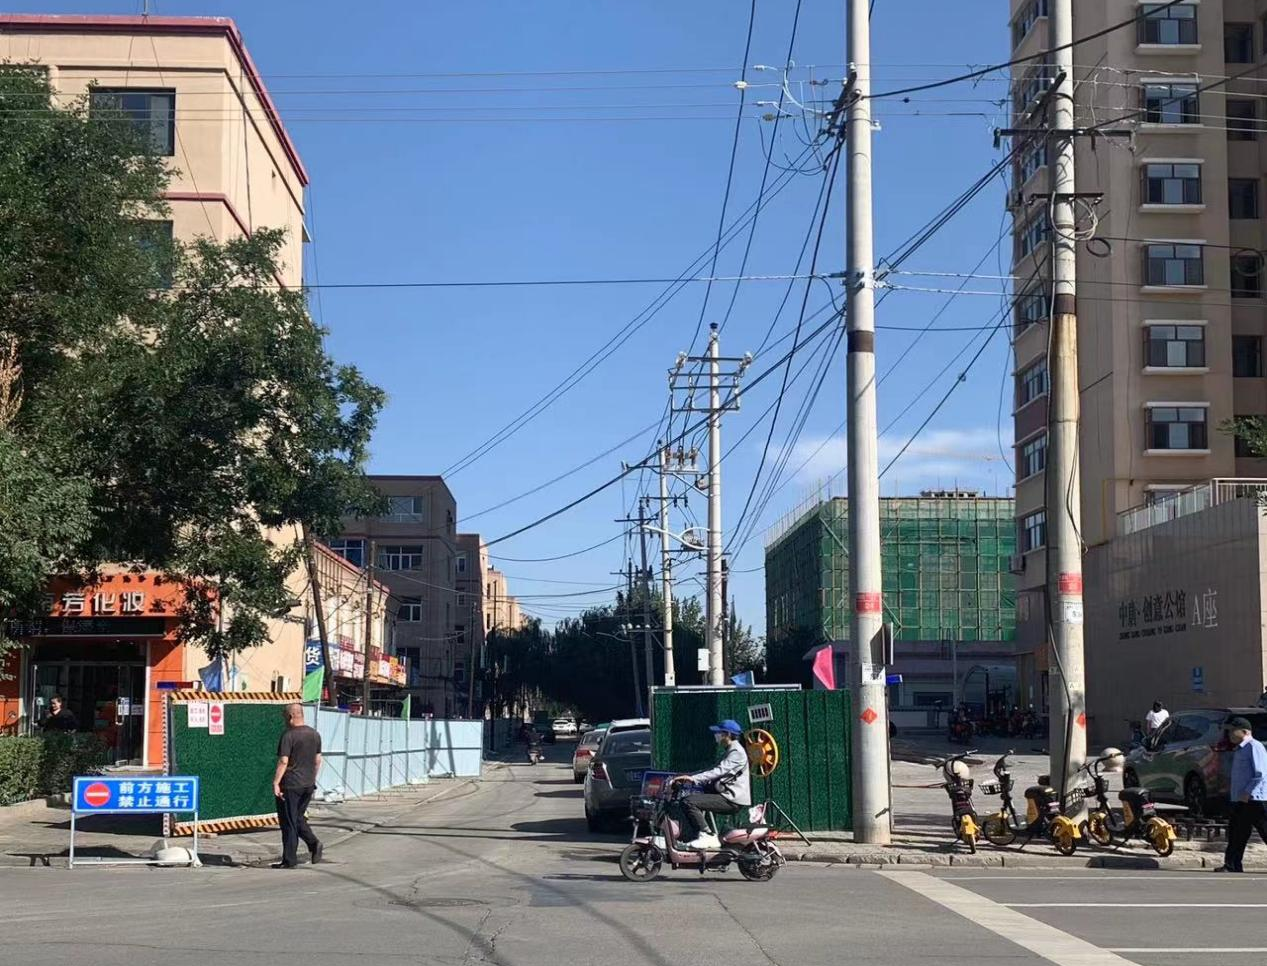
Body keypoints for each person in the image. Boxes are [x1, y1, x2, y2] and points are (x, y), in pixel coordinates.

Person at [669, 719, 751, 850]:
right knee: (695, 797)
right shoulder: (730, 750)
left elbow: (718, 771)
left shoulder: (736, 752)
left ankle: (706, 834)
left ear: (727, 734)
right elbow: (711, 769)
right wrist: (688, 776)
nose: (716, 736)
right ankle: (700, 835)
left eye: (719, 733)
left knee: (689, 802)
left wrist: (693, 779)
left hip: (731, 799)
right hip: (724, 794)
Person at [272, 703, 323, 869]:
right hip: (308, 783)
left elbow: (283, 761)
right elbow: (318, 760)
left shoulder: (288, 736)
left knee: (289, 822)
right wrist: (312, 778)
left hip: (291, 784)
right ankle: (314, 843)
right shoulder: (314, 734)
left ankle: (289, 860)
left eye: (284, 717)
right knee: (298, 818)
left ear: (290, 717)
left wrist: (276, 782)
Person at [1216, 716, 1267, 873]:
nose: (1229, 734)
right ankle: (1232, 864)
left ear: (1244, 731)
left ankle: (1232, 864)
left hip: (1254, 798)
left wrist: (1248, 791)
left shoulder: (1254, 746)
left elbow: (1260, 773)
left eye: (1232, 731)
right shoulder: (1239, 749)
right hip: (1241, 799)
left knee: (1264, 830)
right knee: (1237, 832)